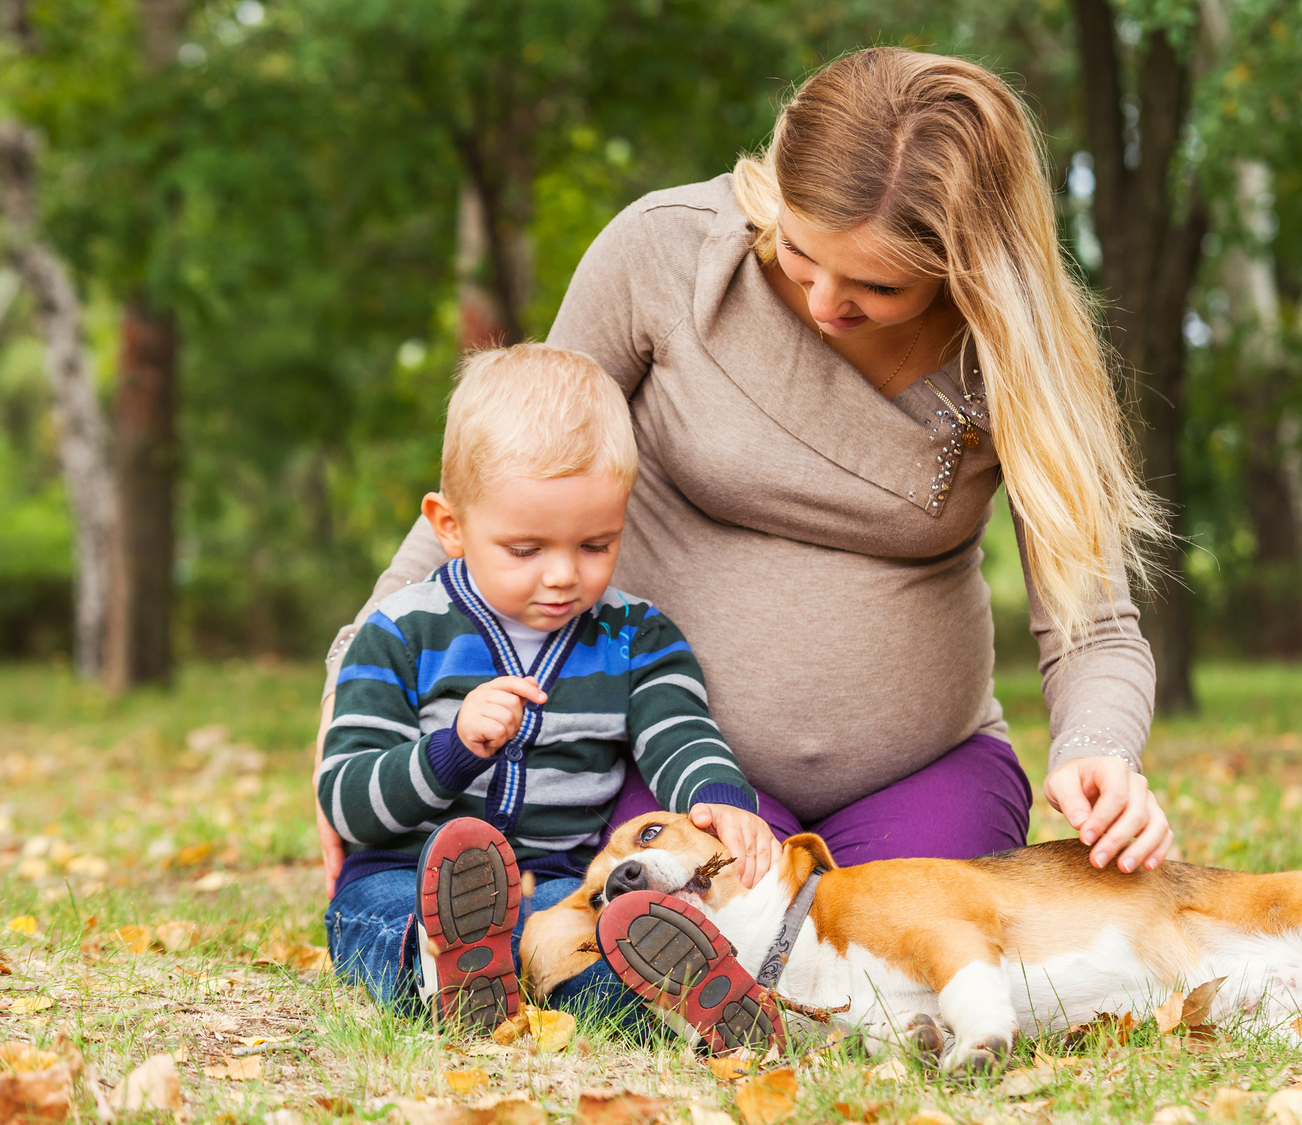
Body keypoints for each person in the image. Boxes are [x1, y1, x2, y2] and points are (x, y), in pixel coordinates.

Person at [318, 46, 1173, 914]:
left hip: (926, 770)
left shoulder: (1017, 360)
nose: (825, 302)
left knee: (903, 951)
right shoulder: (666, 252)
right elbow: (499, 478)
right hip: (667, 758)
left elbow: (1092, 622)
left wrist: (1098, 745)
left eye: (877, 283)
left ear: (969, 265)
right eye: (802, 253)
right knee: (697, 938)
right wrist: (347, 692)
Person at [320, 342, 778, 1032]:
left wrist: (717, 803)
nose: (564, 574)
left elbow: (680, 732)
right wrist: (450, 750)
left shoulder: (636, 637)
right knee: (383, 920)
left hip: (560, 878)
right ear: (451, 525)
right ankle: (438, 962)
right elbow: (350, 799)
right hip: (405, 869)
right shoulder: (400, 632)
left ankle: (666, 1000)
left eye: (595, 544)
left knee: (582, 936)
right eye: (527, 550)